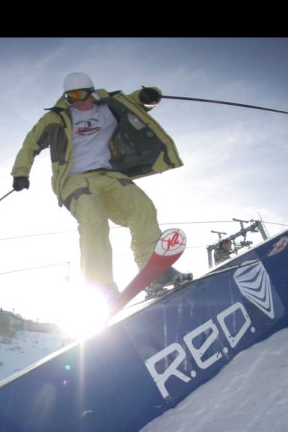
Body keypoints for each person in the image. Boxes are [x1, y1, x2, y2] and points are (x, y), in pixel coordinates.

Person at [12, 72, 189, 301]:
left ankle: (154, 272)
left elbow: (138, 101)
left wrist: (148, 95)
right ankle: (100, 287)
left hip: (109, 175)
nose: (77, 101)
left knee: (143, 208)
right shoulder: (55, 119)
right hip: (74, 181)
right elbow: (30, 144)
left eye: (81, 94)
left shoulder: (110, 106)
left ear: (92, 92)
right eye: (71, 96)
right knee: (94, 222)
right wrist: (20, 173)